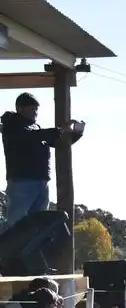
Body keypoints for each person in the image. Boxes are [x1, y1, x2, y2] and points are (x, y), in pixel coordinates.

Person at [1, 93, 81, 228]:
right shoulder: (12, 125)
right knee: (14, 223)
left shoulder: (35, 128)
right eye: (32, 109)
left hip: (41, 182)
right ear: (20, 109)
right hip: (22, 181)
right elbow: (29, 137)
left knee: (38, 226)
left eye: (36, 109)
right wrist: (60, 130)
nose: (35, 112)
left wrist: (75, 134)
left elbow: (56, 143)